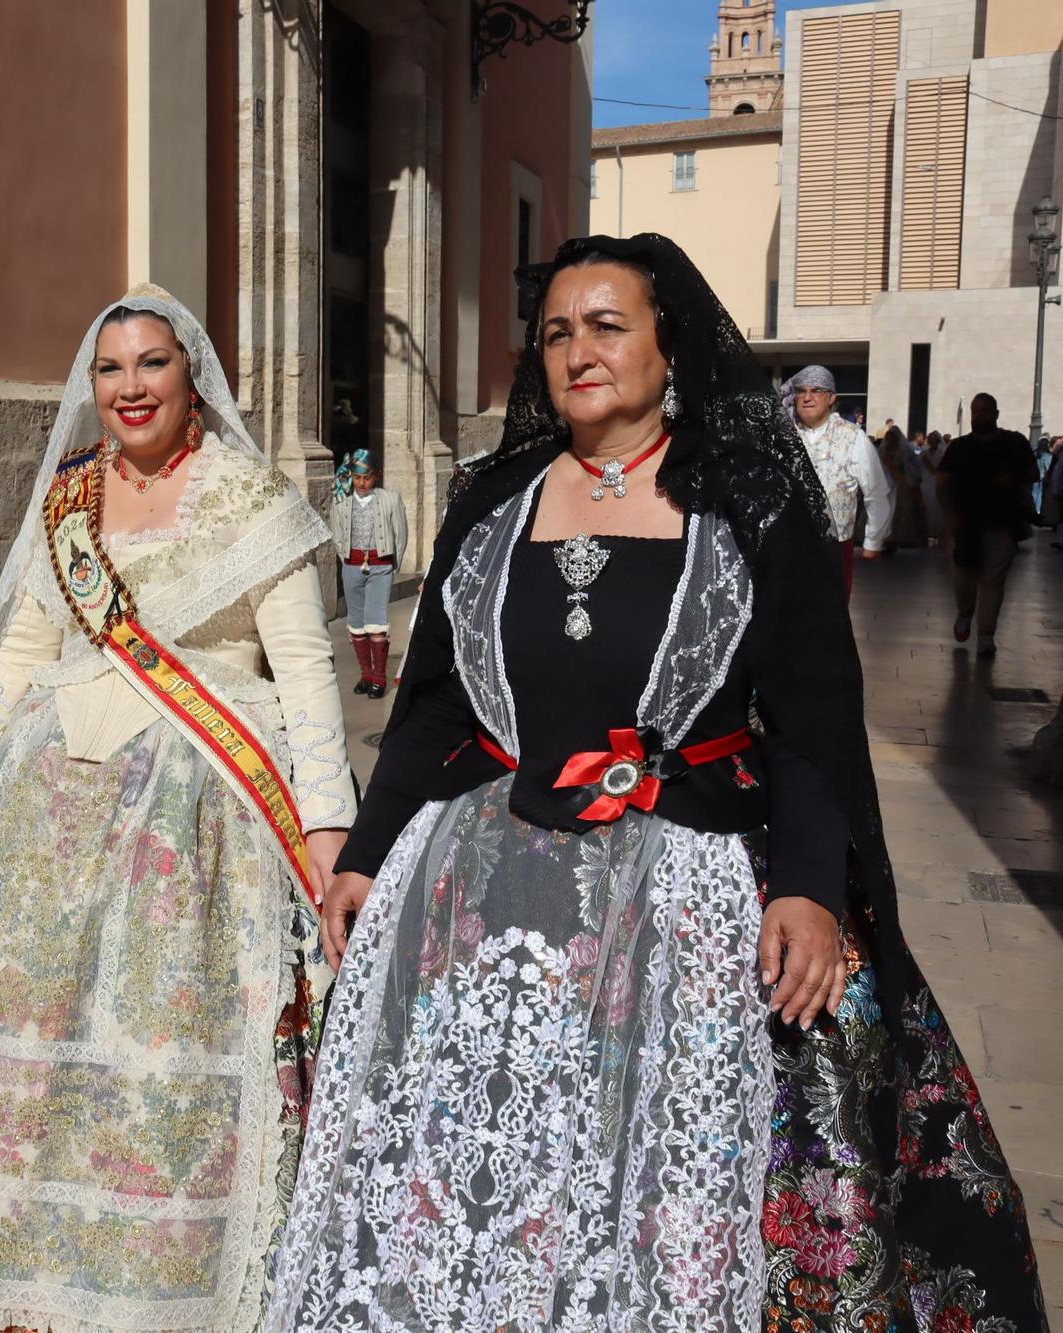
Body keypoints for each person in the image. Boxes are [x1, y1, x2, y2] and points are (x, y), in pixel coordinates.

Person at [266, 235, 1047, 1332]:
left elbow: (811, 719)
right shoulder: (492, 500)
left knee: (657, 1160)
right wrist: (364, 853)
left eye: (604, 325)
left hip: (686, 891)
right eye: (553, 332)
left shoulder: (748, 498)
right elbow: (437, 703)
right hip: (491, 901)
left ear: (664, 343)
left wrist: (811, 888)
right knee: (482, 1163)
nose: (576, 350)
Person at [0, 286, 357, 1333]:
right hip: (47, 795)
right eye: (110, 369)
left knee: (157, 1040)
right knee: (18, 1024)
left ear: (191, 378)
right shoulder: (68, 499)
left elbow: (307, 670)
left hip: (196, 805)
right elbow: (27, 649)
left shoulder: (248, 495)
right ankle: (7, 1261)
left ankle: (154, 1279)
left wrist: (325, 825)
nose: (130, 387)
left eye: (151, 364)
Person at [937, 392, 1039, 657]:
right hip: (964, 525)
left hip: (1002, 524)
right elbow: (943, 482)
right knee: (963, 580)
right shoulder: (959, 447)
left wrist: (1012, 478)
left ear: (996, 413)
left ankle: (986, 636)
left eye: (984, 411)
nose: (978, 416)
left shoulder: (1014, 442)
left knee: (994, 582)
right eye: (975, 411)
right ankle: (964, 614)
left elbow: (1033, 473)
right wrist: (949, 515)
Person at [785, 365, 892, 593]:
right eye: (801, 391)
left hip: (835, 548)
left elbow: (877, 491)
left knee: (831, 619)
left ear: (831, 398)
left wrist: (873, 540)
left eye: (816, 391)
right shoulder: (784, 436)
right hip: (788, 545)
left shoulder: (853, 437)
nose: (807, 398)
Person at [329, 448, 409, 698]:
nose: (362, 483)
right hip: (352, 566)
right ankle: (365, 674)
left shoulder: (390, 499)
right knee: (357, 624)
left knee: (376, 623)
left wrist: (391, 564)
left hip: (380, 566)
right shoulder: (343, 501)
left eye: (367, 477)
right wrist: (345, 557)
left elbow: (401, 533)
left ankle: (379, 678)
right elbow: (337, 530)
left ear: (377, 476)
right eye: (357, 477)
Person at [878, 424, 927, 548]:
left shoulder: (904, 450)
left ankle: (899, 537)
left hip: (900, 484)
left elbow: (910, 467)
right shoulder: (883, 450)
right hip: (884, 483)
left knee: (899, 510)